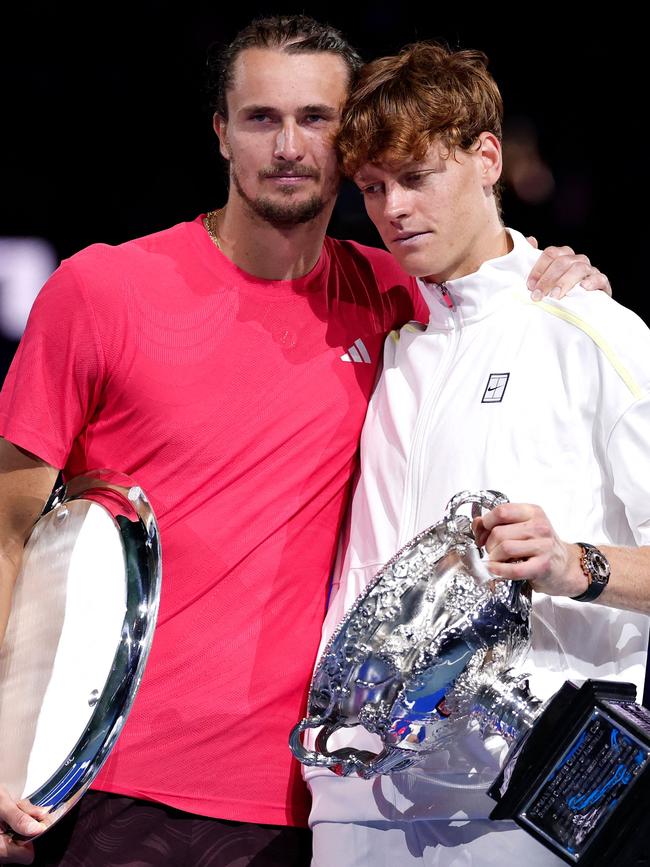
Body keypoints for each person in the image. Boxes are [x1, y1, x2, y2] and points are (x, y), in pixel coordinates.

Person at [0, 17, 609, 867]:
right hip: (120, 784)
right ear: (220, 132)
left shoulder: (399, 299)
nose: (289, 146)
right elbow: (11, 533)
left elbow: (496, 284)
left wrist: (564, 280)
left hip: (318, 801)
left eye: (316, 119)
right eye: (260, 119)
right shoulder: (99, 289)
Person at [304, 41, 650, 866]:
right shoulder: (391, 347)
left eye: (415, 177)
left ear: (487, 157)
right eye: (373, 187)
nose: (392, 208)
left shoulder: (592, 330)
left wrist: (578, 564)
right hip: (357, 800)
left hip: (528, 805)